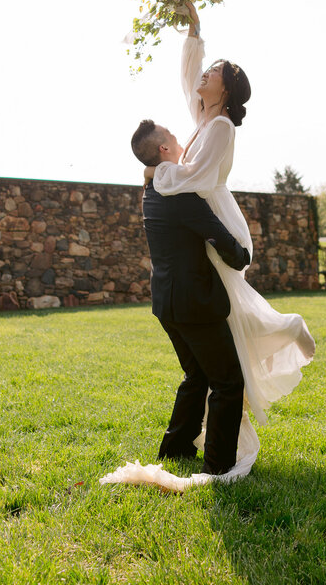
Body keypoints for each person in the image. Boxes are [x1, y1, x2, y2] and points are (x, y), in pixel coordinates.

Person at [144, 2, 316, 474]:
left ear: (227, 88)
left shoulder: (218, 127)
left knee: (232, 306)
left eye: (213, 72)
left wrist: (162, 173)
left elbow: (196, 180)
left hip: (215, 220)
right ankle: (285, 328)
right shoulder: (202, 117)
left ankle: (285, 328)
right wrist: (193, 26)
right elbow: (188, 76)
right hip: (199, 222)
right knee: (231, 317)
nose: (205, 76)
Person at [106, 120, 250, 485]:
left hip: (167, 302)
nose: (178, 136)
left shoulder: (153, 188)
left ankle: (174, 449)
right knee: (228, 382)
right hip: (195, 303)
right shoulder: (179, 194)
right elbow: (218, 236)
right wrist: (242, 256)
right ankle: (218, 467)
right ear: (165, 150)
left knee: (196, 375)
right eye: (172, 135)